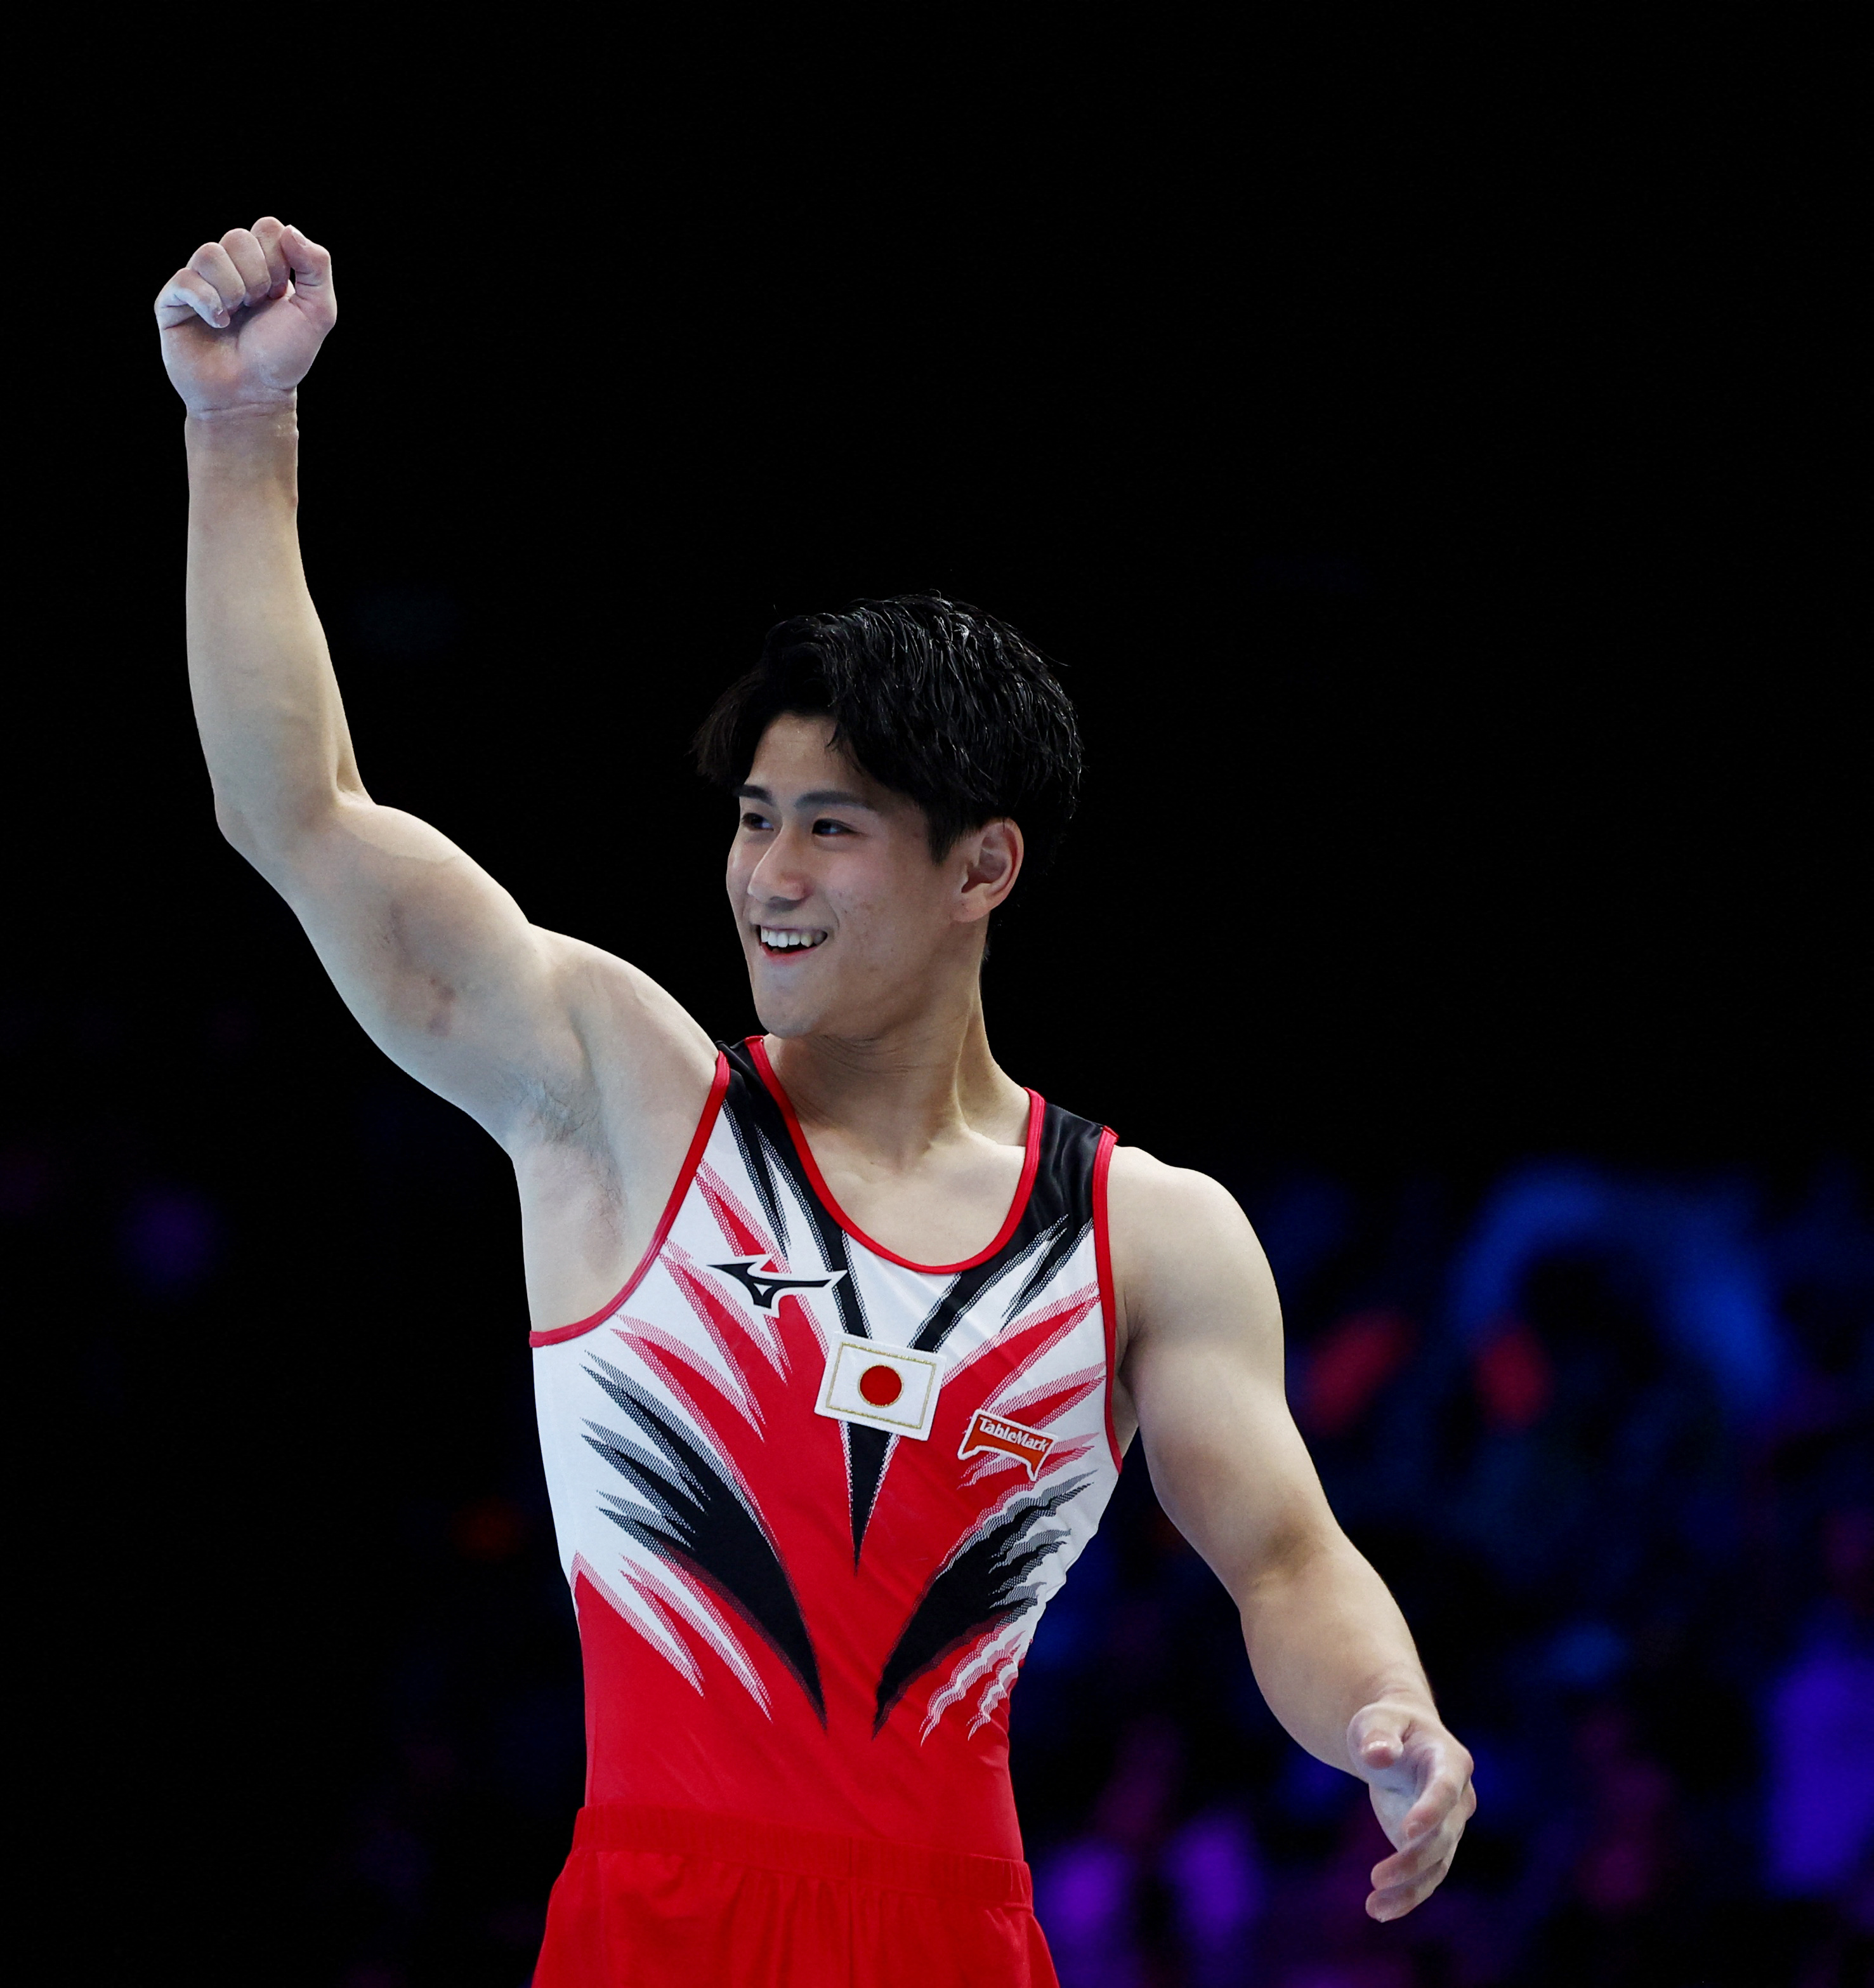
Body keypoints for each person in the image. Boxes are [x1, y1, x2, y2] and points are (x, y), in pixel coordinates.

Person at [156, 215, 1476, 1986]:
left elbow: (1284, 1561)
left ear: (979, 867)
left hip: (951, 1939)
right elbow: (299, 816)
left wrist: (1388, 1714)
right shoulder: (618, 1099)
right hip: (654, 1924)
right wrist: (242, 437)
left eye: (830, 827)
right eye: (751, 819)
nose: (766, 875)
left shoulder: (1142, 1232)